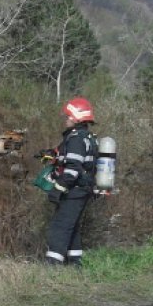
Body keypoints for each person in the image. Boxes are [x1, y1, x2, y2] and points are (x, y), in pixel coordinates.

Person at [45, 97, 98, 267]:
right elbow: (69, 159)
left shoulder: (75, 139)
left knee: (60, 227)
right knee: (72, 226)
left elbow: (72, 170)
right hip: (82, 189)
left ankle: (53, 265)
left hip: (75, 190)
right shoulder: (86, 137)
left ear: (76, 118)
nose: (65, 119)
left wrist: (58, 189)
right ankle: (75, 263)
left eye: (68, 117)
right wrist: (51, 154)